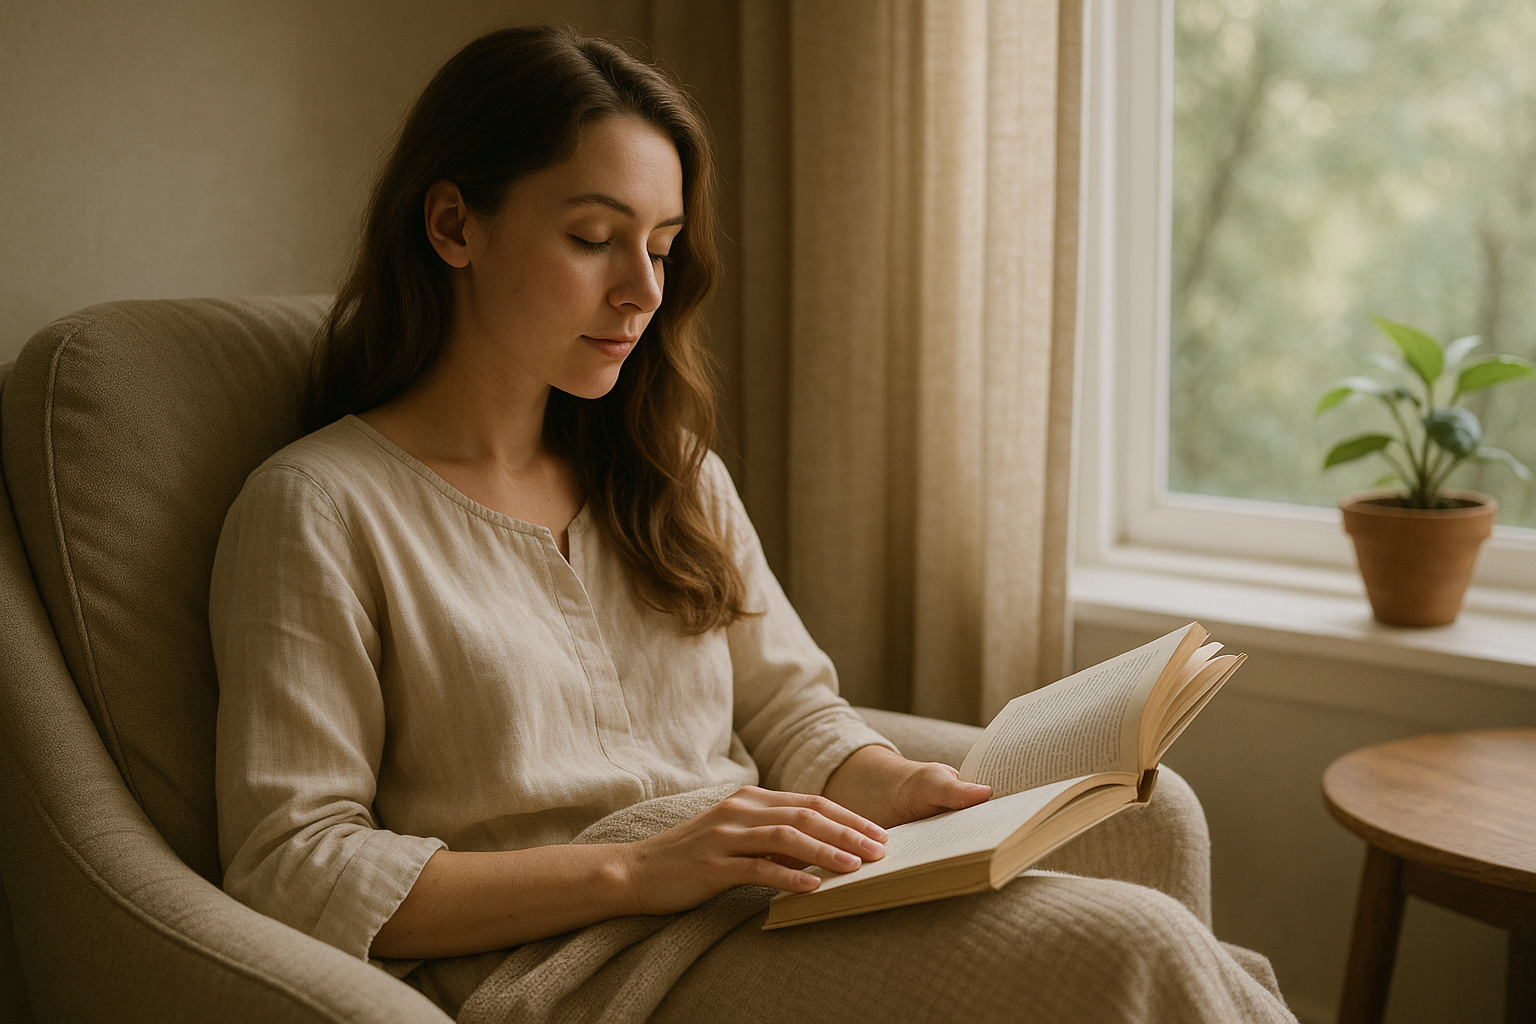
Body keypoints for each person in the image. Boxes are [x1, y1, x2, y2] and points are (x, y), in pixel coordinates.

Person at [210, 25, 1294, 1024]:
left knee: (1156, 823)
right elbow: (293, 865)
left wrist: (892, 783)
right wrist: (643, 868)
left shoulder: (669, 473)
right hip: (575, 964)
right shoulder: (320, 508)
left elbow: (790, 711)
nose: (642, 291)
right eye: (593, 237)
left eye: (662, 245)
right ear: (454, 225)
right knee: (1133, 950)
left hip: (754, 899)